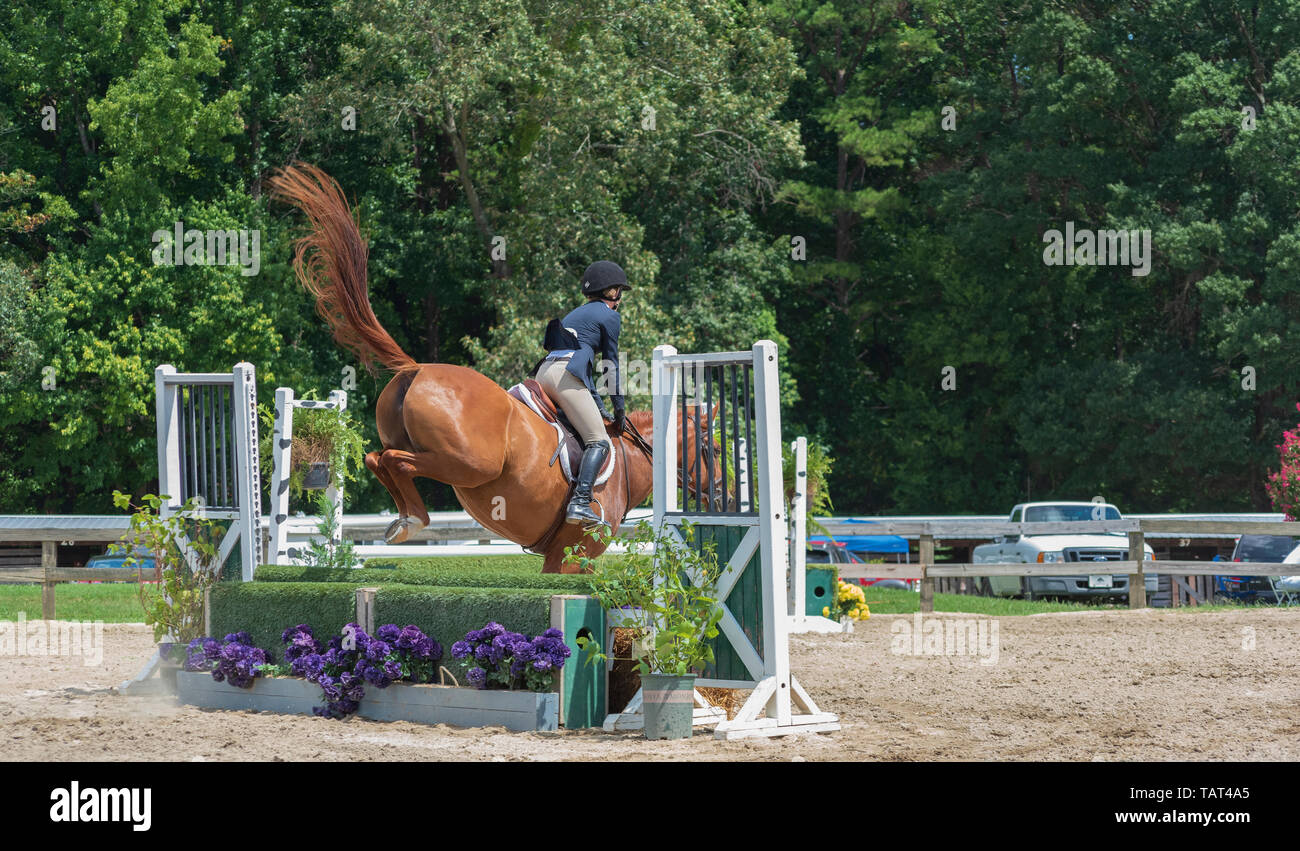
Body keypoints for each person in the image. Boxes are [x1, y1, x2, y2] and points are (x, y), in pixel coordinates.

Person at [534, 260, 631, 527]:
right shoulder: (610, 315)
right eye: (619, 290)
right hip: (566, 375)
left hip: (545, 372)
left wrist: (601, 409)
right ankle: (579, 502)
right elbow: (610, 365)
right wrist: (620, 409)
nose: (620, 296)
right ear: (612, 292)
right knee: (599, 441)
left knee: (572, 433)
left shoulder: (577, 314)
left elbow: (584, 375)